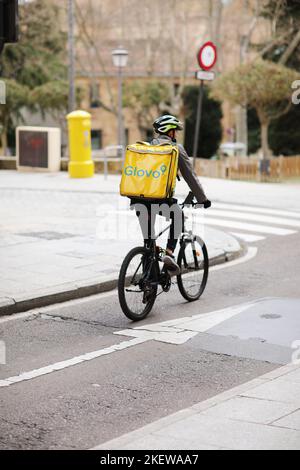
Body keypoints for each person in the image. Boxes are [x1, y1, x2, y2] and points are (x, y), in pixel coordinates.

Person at [131, 114, 211, 276]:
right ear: (170, 133)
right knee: (179, 216)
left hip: (138, 200)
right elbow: (190, 177)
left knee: (149, 243)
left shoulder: (145, 147)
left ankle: (148, 284)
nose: (176, 134)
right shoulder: (175, 149)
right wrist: (203, 199)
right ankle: (168, 254)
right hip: (160, 200)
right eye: (175, 131)